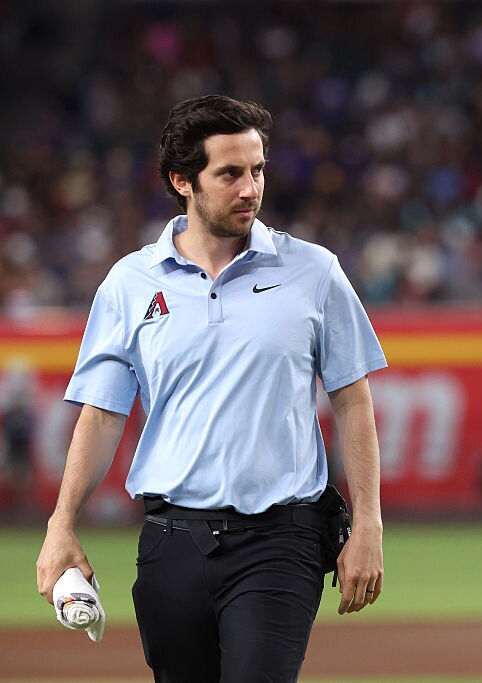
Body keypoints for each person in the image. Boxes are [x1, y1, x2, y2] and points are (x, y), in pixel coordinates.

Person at [35, 94, 387, 682]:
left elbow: (352, 399)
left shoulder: (314, 271)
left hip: (282, 540)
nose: (251, 188)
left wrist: (370, 524)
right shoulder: (129, 283)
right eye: (229, 174)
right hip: (170, 541)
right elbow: (101, 414)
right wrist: (61, 524)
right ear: (182, 181)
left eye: (258, 170)